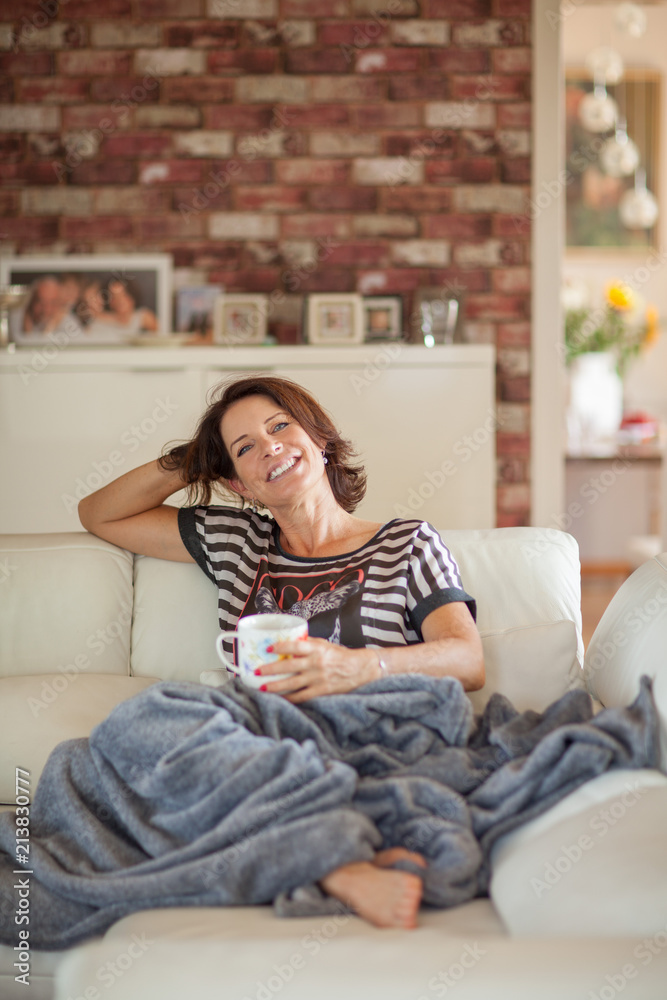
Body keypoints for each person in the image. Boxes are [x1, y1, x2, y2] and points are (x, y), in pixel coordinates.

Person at [78, 374, 484, 930]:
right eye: (245, 448)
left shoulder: (406, 542)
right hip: (261, 742)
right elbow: (99, 514)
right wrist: (192, 459)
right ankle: (336, 863)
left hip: (368, 734)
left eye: (280, 427)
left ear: (319, 440)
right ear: (238, 483)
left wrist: (356, 666)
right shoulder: (238, 543)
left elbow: (467, 659)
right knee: (130, 726)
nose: (269, 447)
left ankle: (316, 855)